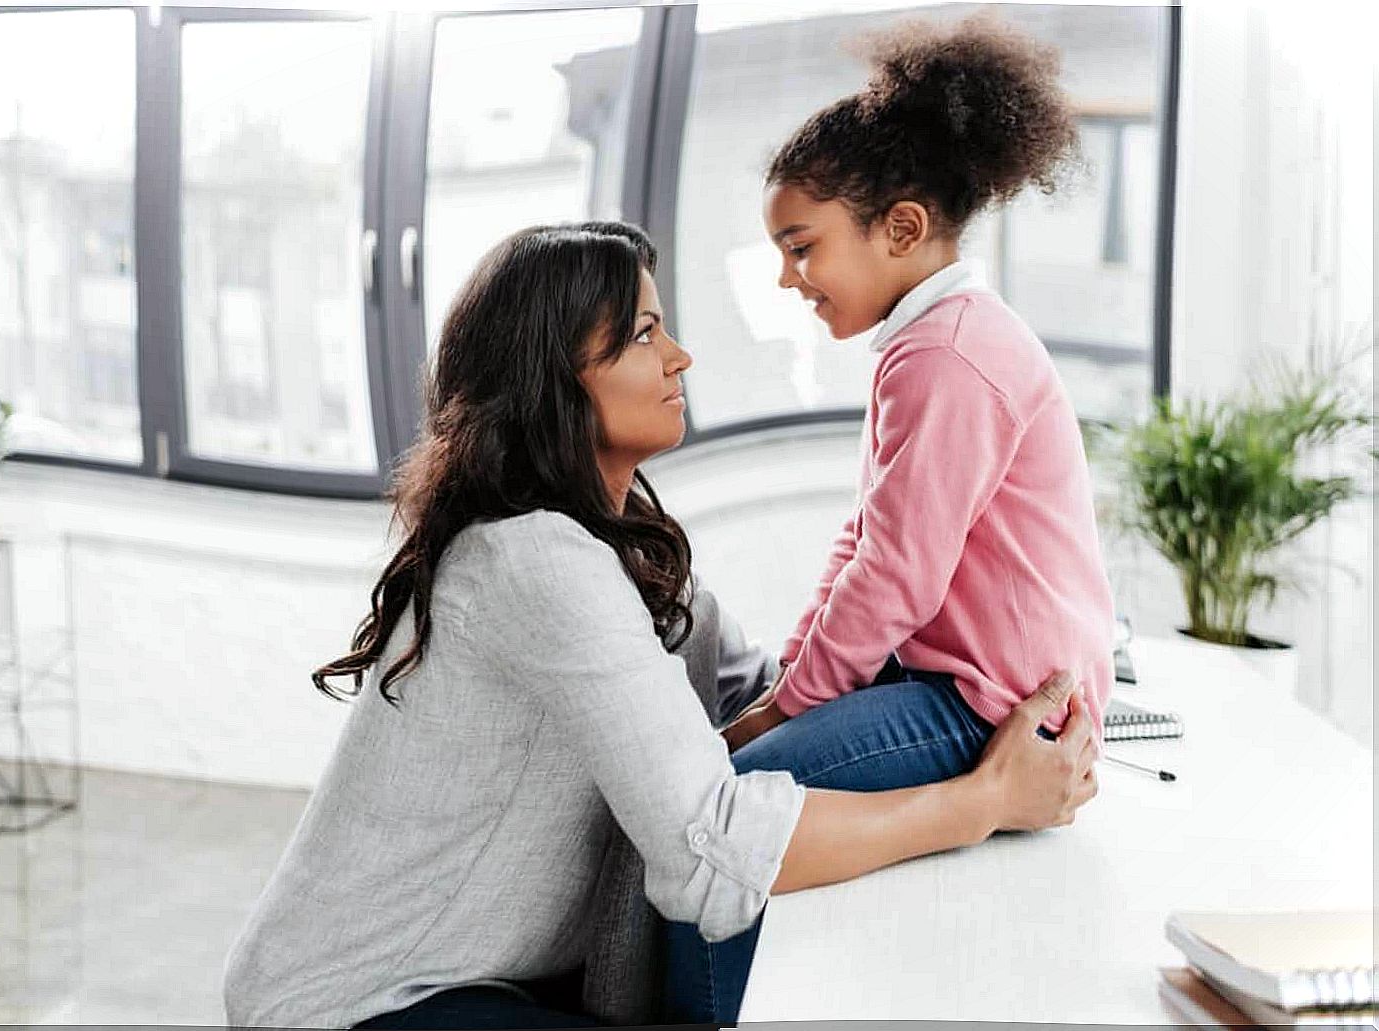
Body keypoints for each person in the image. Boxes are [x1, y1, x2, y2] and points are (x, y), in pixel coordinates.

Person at [221, 221, 1098, 1031]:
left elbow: (765, 700)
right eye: (643, 334)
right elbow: (709, 845)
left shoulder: (622, 561)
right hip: (359, 1003)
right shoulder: (530, 560)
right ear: (555, 375)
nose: (679, 356)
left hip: (489, 981)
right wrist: (982, 801)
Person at [663, 14, 1118, 1023]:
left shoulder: (950, 356)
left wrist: (785, 711)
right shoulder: (934, 344)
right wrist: (798, 676)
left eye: (801, 246)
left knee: (727, 807)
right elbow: (867, 539)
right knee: (747, 762)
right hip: (957, 683)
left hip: (987, 704)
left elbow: (896, 575)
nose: (788, 277)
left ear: (901, 229)